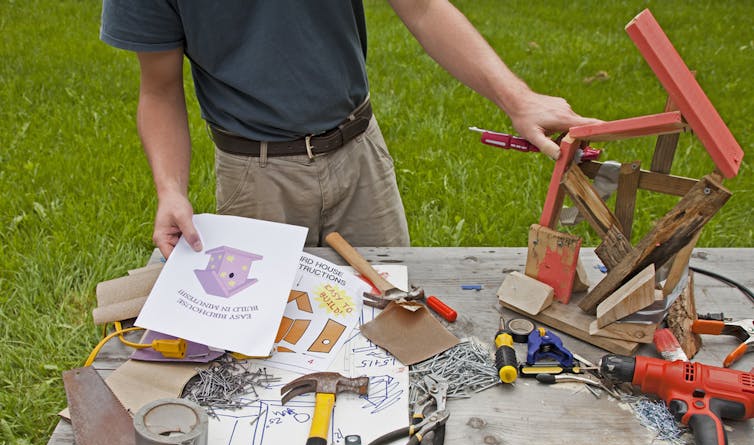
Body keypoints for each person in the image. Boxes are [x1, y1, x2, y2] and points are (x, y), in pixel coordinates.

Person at [100, 1, 599, 259]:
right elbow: (160, 88)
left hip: (360, 158)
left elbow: (422, 9)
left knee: (393, 318)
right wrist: (170, 189)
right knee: (265, 354)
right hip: (255, 178)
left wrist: (517, 99)